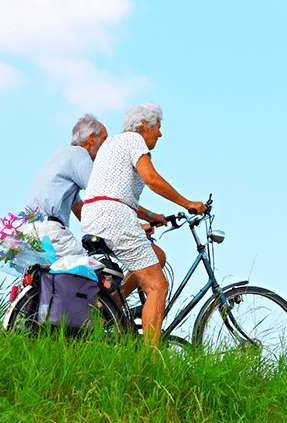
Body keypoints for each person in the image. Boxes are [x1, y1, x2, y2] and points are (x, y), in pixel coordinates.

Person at [81, 102, 206, 347]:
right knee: (157, 286)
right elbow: (151, 179)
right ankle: (149, 363)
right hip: (114, 217)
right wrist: (186, 203)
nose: (159, 133)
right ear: (145, 125)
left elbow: (114, 191)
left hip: (94, 216)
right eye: (158, 127)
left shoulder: (111, 144)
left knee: (156, 256)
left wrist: (150, 216)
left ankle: (113, 305)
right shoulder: (134, 140)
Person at [23, 114, 107, 258]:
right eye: (105, 139)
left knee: (52, 278)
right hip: (49, 232)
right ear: (92, 138)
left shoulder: (62, 154)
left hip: (30, 232)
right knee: (94, 271)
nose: (107, 146)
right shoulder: (79, 154)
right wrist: (132, 226)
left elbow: (79, 209)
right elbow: (104, 193)